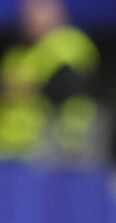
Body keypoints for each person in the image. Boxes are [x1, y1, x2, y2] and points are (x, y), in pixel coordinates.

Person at [0, 0, 100, 159]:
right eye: (26, 13)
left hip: (57, 145)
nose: (30, 18)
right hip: (12, 148)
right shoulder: (18, 53)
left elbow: (67, 86)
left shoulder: (69, 44)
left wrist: (22, 88)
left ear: (57, 14)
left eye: (39, 10)